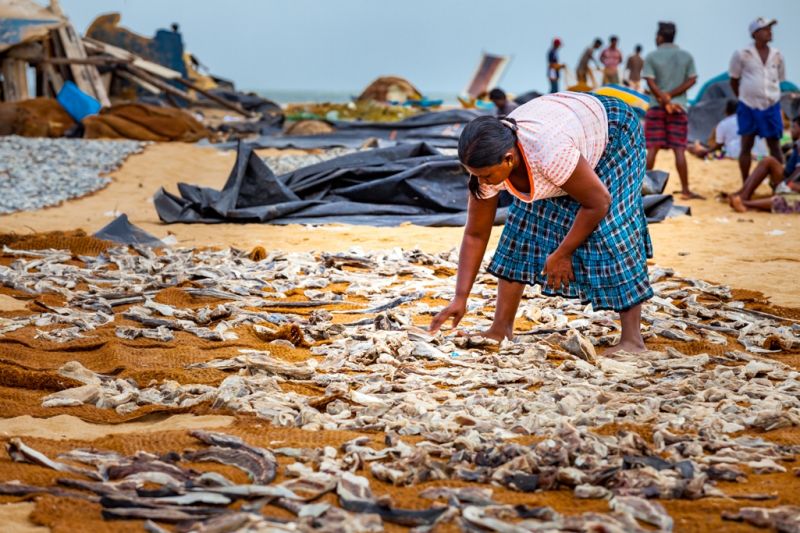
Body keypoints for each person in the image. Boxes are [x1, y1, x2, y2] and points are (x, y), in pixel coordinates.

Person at [429, 92, 653, 354]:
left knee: (610, 230)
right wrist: (460, 297)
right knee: (519, 232)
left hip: (613, 132)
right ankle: (500, 328)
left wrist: (562, 253)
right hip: (564, 132)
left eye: (487, 175)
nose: (483, 182)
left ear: (509, 159)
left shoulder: (549, 154)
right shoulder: (489, 170)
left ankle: (632, 340)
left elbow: (598, 202)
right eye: (475, 175)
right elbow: (475, 234)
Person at [642, 21, 702, 200]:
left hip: (656, 107)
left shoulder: (651, 56)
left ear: (660, 37)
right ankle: (685, 189)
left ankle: (642, 188)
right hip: (678, 108)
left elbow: (650, 82)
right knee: (679, 149)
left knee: (652, 149)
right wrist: (671, 95)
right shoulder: (686, 56)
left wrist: (662, 96)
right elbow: (692, 79)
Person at [729, 17, 786, 183]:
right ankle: (745, 182)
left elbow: (780, 79)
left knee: (774, 144)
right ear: (755, 33)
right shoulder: (742, 54)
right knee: (746, 144)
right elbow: (734, 79)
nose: (770, 32)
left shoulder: (777, 55)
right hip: (748, 105)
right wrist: (743, 97)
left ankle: (779, 182)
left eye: (770, 29)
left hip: (771, 105)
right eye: (765, 29)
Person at [729, 115, 800, 213]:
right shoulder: (796, 144)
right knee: (768, 161)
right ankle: (744, 195)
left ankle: (745, 203)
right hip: (789, 180)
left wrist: (787, 184)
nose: (791, 130)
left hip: (794, 184)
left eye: (794, 127)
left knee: (787, 201)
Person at [688, 99, 769, 159]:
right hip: (761, 154)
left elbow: (718, 145)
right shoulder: (752, 120)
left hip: (736, 154)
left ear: (726, 110)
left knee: (695, 149)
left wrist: (706, 151)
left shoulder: (723, 124)